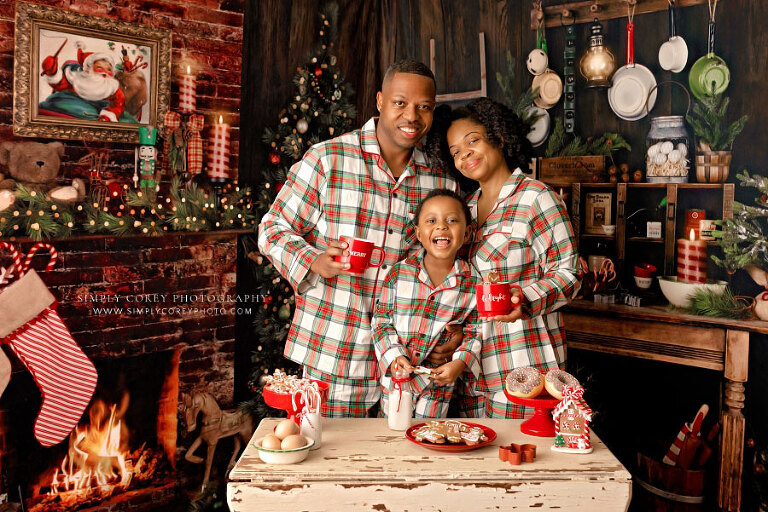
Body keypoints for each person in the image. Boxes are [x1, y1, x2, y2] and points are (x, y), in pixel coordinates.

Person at [258, 60, 457, 417]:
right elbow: (272, 229)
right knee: (331, 464)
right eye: (400, 103)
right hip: (333, 351)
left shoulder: (440, 181)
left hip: (407, 360)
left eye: (423, 107)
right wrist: (313, 261)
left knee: (400, 465)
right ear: (380, 101)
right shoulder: (328, 159)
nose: (411, 116)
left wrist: (452, 334)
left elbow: (450, 269)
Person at [427, 97, 579, 418]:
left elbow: (569, 274)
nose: (464, 154)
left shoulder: (536, 198)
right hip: (473, 375)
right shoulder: (463, 211)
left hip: (526, 370)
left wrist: (523, 298)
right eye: (455, 151)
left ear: (498, 137)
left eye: (473, 141)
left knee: (525, 461)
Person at [372, 189, 481, 418]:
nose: (442, 226)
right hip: (397, 379)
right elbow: (381, 322)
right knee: (393, 434)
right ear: (419, 233)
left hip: (437, 383)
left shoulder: (472, 282)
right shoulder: (399, 274)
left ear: (467, 232)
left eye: (452, 220)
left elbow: (476, 331)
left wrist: (460, 363)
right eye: (432, 221)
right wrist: (394, 357)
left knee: (427, 434)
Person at [40, 42, 130, 123]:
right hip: (72, 104)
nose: (105, 72)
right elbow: (60, 84)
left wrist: (108, 115)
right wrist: (52, 72)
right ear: (88, 69)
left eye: (109, 70)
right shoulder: (78, 80)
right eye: (100, 68)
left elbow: (118, 104)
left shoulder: (111, 88)